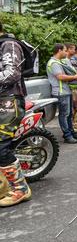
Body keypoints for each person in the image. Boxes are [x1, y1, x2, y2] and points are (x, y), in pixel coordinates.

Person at [0, 26, 32, 207]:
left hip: (9, 103)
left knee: (1, 147)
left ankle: (21, 189)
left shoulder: (9, 45)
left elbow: (12, 73)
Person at [47, 43, 77, 144]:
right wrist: (75, 77)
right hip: (61, 92)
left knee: (69, 114)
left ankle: (72, 133)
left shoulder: (59, 62)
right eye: (64, 50)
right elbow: (60, 77)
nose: (66, 52)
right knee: (64, 114)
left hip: (66, 91)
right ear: (59, 50)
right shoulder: (53, 63)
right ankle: (67, 135)